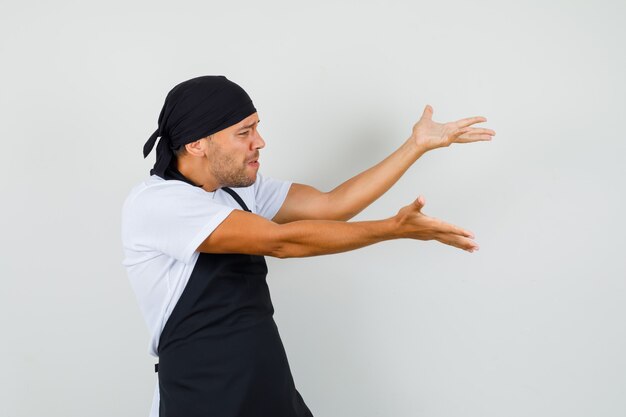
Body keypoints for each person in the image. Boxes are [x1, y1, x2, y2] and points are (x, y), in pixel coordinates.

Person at [121, 75, 495, 417]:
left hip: (268, 390)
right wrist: (392, 228)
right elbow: (281, 242)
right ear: (197, 143)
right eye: (243, 132)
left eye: (257, 128)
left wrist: (415, 147)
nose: (259, 142)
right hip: (202, 400)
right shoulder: (158, 204)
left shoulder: (237, 193)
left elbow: (331, 205)